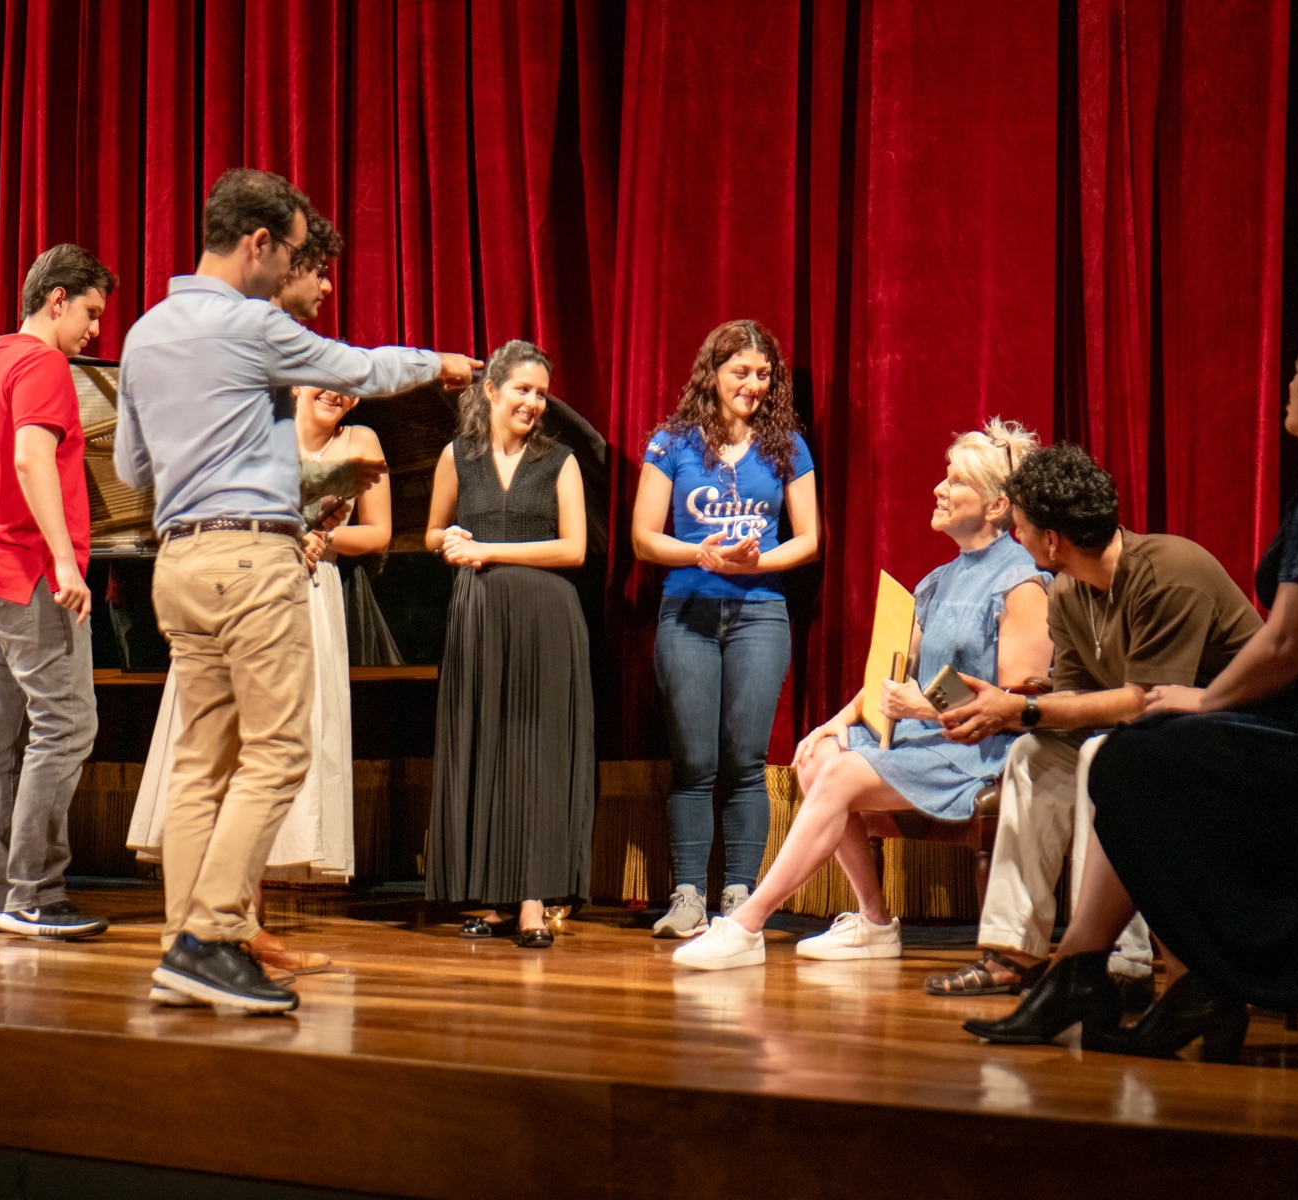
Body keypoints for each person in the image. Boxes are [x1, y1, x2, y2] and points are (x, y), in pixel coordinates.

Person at [967, 305, 1298, 1061]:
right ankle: (1091, 972)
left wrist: (1209, 697)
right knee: (1140, 749)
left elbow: (1290, 641)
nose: (1290, 382)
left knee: (1140, 756)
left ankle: (1172, 979)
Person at [114, 167, 479, 1013]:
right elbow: (359, 367)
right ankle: (211, 936)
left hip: (179, 563)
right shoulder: (249, 324)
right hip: (252, 563)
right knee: (279, 752)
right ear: (258, 243)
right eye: (290, 253)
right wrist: (442, 365)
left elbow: (133, 468)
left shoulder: (144, 332)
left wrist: (285, 471)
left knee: (201, 764)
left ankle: (181, 948)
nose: (292, 271)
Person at [673, 420, 1050, 969]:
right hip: (930, 735)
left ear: (996, 507)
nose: (939, 489)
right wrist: (836, 721)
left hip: (979, 751)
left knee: (842, 775)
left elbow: (1013, 702)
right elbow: (893, 673)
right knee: (818, 757)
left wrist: (926, 706)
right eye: (945, 476)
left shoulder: (1021, 581)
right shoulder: (937, 581)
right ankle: (874, 921)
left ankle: (746, 925)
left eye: (956, 482)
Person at [126, 220, 388, 981]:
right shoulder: (256, 385)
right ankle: (214, 934)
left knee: (243, 759)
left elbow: (139, 469)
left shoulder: (356, 440)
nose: (334, 389)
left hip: (261, 579)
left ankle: (211, 936)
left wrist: (320, 533)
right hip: (241, 575)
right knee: (246, 755)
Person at [923, 443, 1263, 1004]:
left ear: (1053, 539)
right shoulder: (1067, 592)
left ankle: (1117, 963)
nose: (1017, 538)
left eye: (1022, 527)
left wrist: (1023, 710)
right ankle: (1013, 952)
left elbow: (1141, 702)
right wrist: (1018, 703)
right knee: (1032, 755)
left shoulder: (1168, 572)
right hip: (1154, 740)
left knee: (1099, 755)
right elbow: (1079, 696)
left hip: (1238, 741)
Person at [0, 244, 117, 939]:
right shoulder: (43, 364)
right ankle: (35, 894)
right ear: (56, 299)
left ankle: (1, 896)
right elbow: (29, 456)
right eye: (91, 313)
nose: (95, 330)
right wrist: (65, 563)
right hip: (27, 575)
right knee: (67, 726)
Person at [630, 319, 820, 939]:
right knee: (694, 760)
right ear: (712, 374)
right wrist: (701, 555)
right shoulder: (672, 442)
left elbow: (810, 540)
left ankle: (740, 898)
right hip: (688, 612)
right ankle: (687, 895)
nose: (753, 384)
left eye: (764, 374)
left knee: (744, 759)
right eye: (741, 371)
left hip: (760, 613)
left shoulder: (787, 445)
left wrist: (753, 563)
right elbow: (643, 537)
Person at [424, 340, 594, 949]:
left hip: (546, 620)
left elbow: (573, 549)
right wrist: (449, 541)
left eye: (542, 393)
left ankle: (532, 900)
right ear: (491, 390)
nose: (533, 402)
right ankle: (495, 895)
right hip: (477, 618)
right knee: (487, 749)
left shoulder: (560, 461)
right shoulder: (457, 456)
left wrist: (488, 549)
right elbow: (431, 532)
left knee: (536, 754)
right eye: (523, 389)